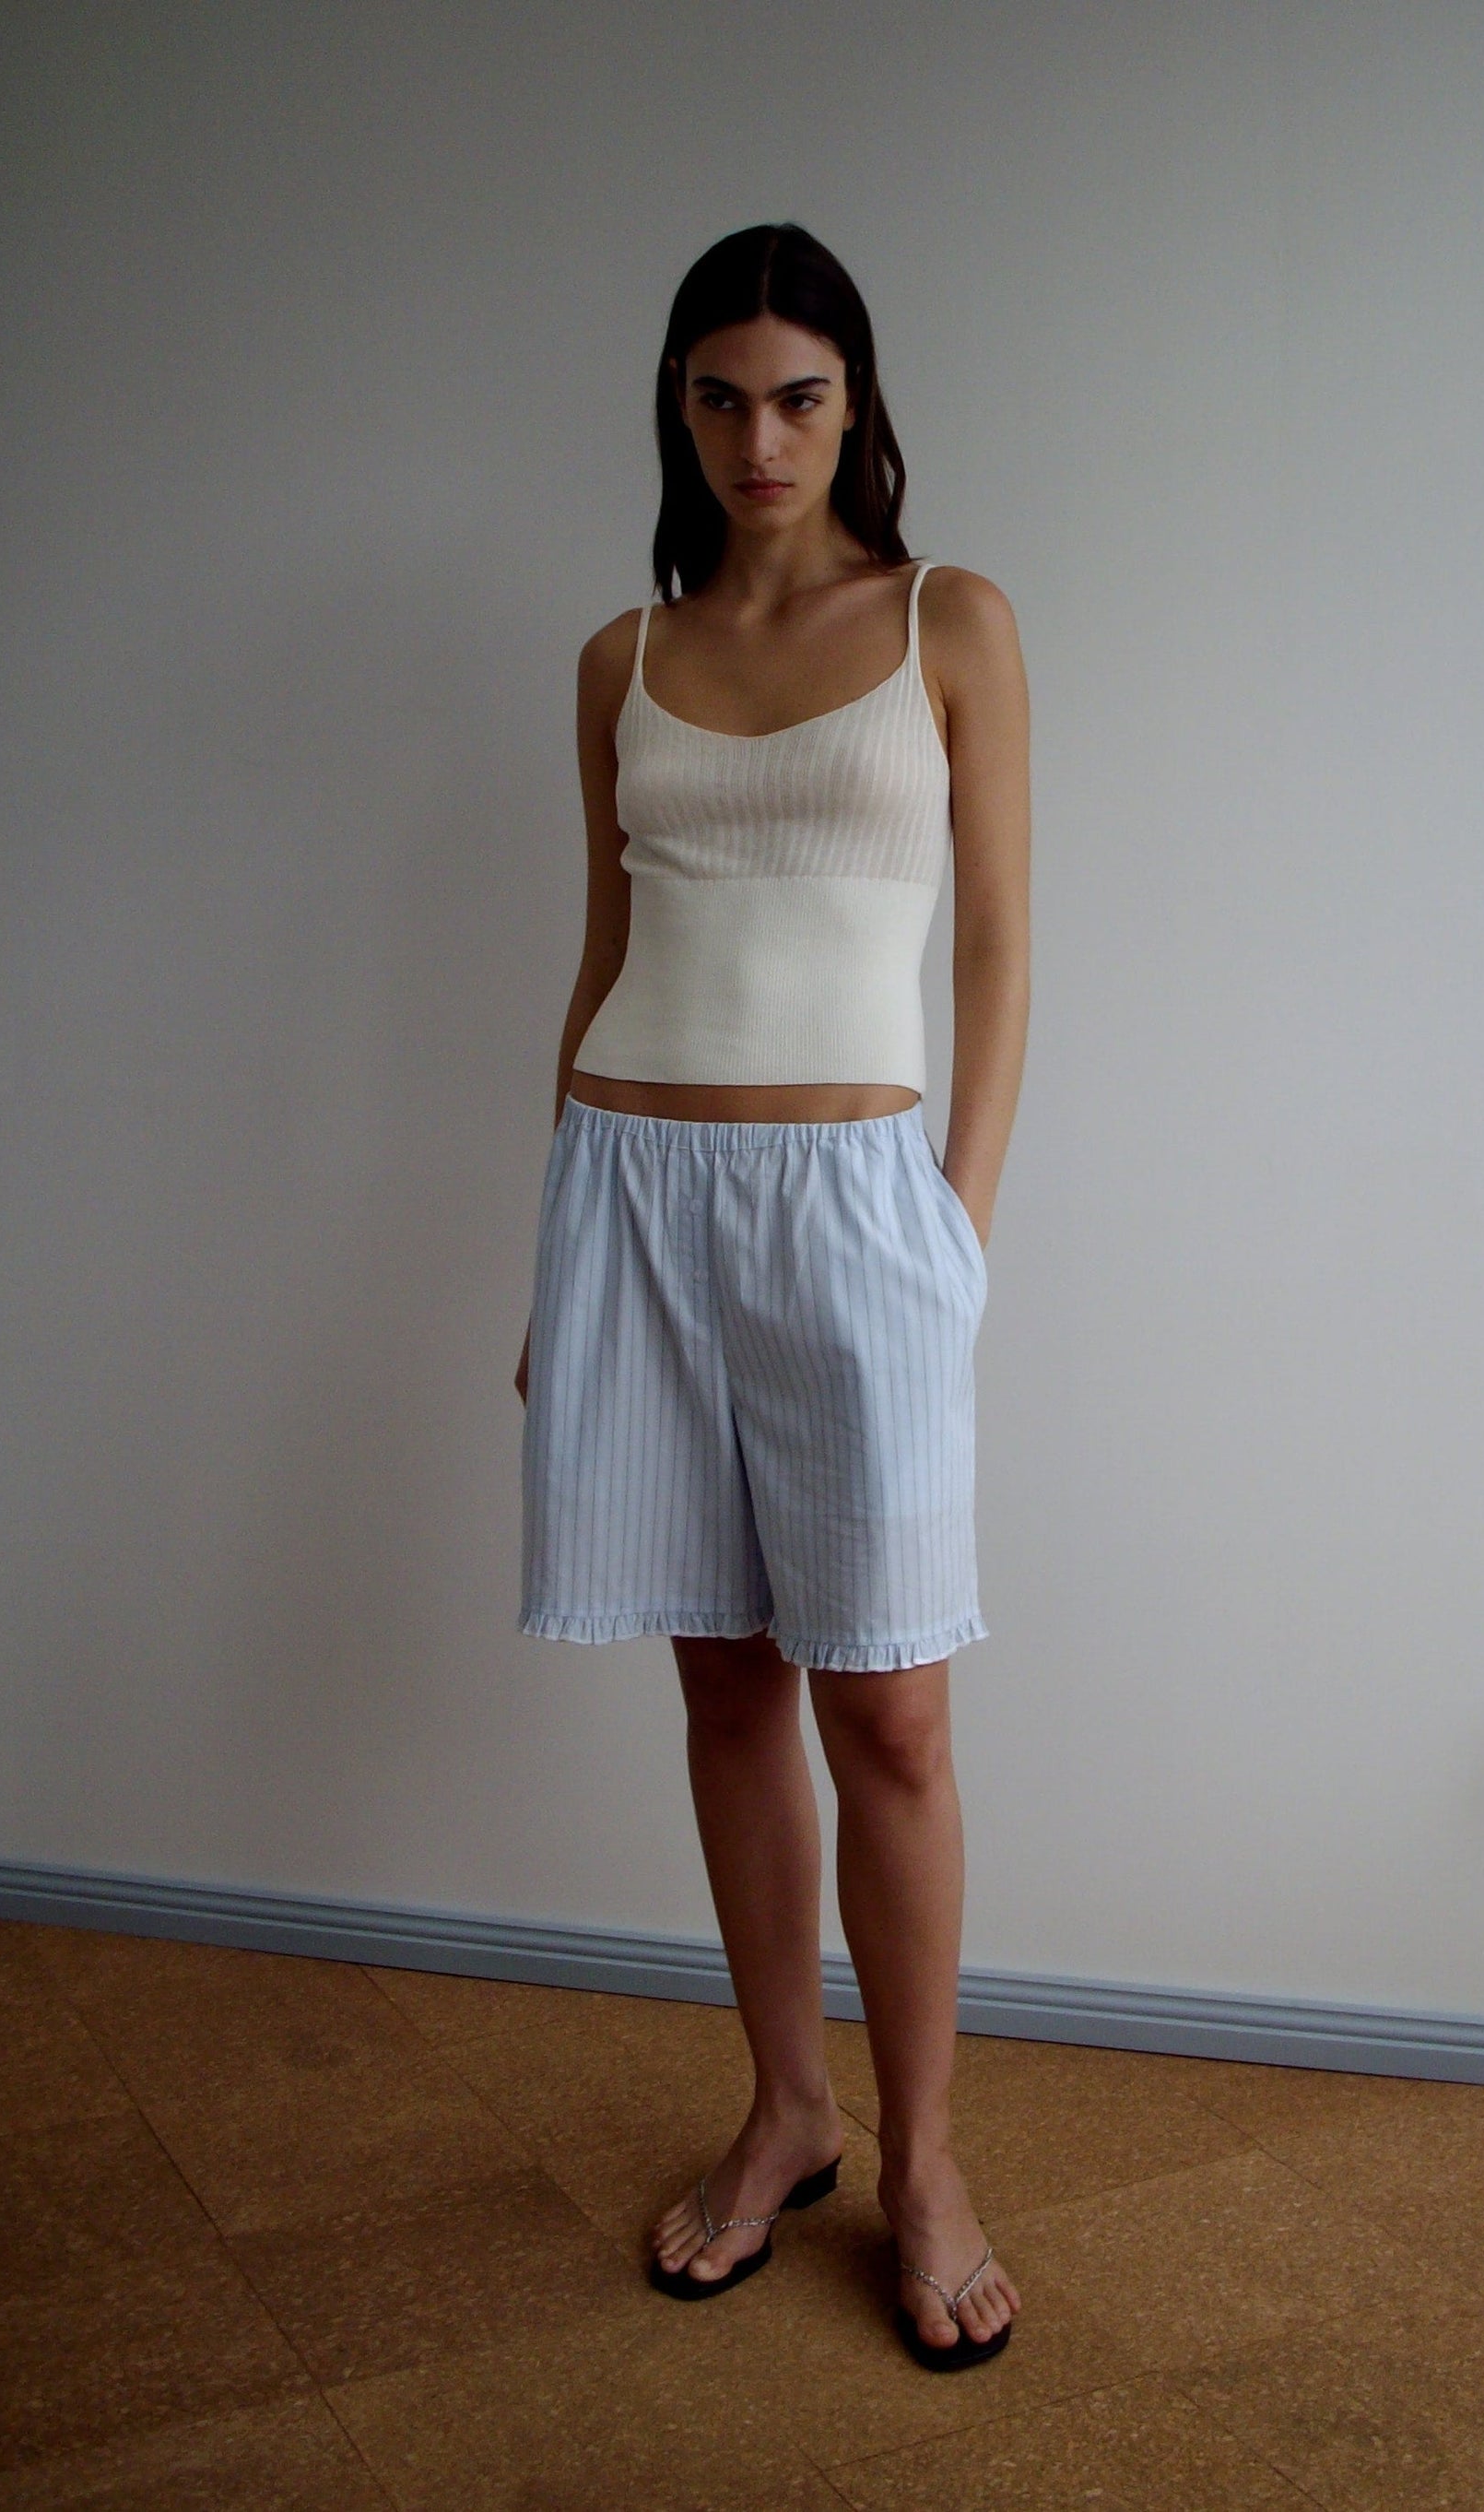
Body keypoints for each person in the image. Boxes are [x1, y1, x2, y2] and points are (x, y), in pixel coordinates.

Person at [514, 222, 1030, 2371]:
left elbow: (997, 948)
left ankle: (923, 2158)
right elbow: (600, 944)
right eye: (717, 396)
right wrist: (550, 1241)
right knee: (722, 1685)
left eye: (797, 396)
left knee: (887, 1703)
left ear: (859, 408)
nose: (757, 438)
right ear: (677, 406)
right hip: (629, 1184)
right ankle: (786, 2110)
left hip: (854, 1200)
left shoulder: (949, 622)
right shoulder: (616, 657)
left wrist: (956, 1235)